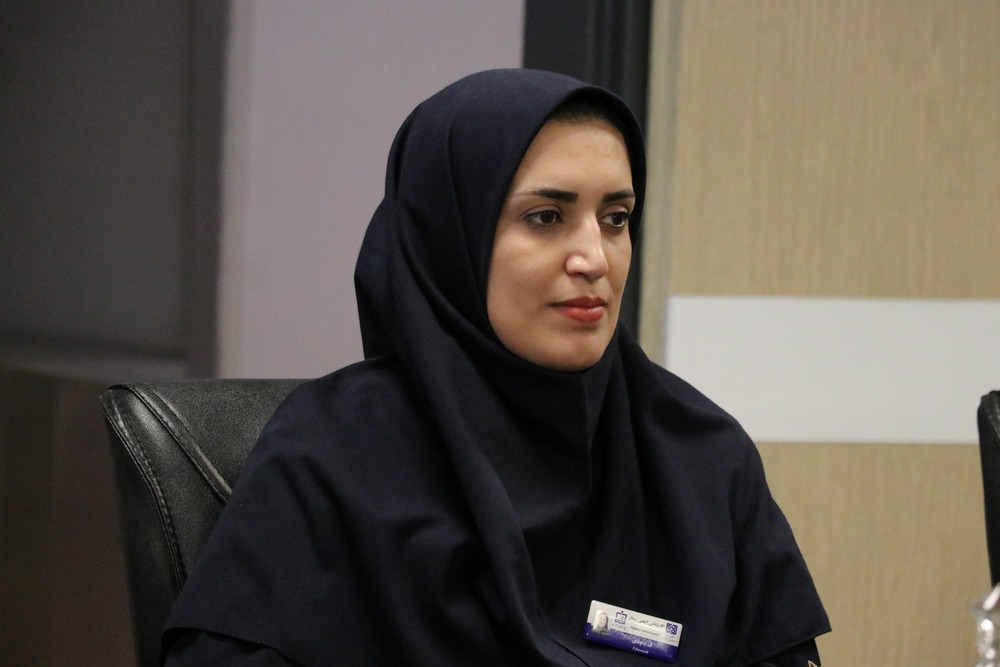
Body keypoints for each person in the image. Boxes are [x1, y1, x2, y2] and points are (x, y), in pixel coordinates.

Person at [163, 68, 829, 666]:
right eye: (546, 216)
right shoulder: (331, 457)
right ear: (452, 235)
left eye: (615, 218)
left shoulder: (702, 458)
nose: (594, 258)